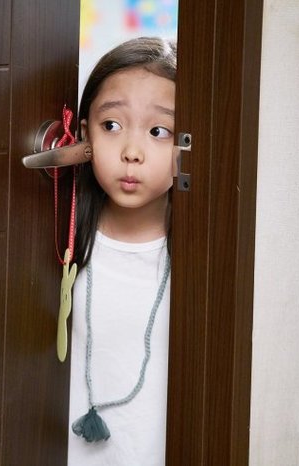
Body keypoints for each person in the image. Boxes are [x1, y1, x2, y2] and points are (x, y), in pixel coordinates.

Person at [67, 36, 176, 466]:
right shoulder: (61, 239)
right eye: (111, 126)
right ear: (85, 135)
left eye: (158, 132)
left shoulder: (201, 257)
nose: (132, 153)